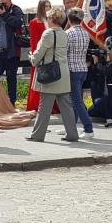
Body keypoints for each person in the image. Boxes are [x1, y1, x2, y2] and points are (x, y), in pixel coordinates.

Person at [26, 8, 79, 142]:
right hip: (63, 72)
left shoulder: (48, 33)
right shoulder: (64, 33)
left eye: (48, 18)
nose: (47, 20)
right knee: (66, 107)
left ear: (51, 19)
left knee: (44, 107)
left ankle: (37, 135)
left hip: (51, 74)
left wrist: (32, 58)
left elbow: (39, 53)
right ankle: (72, 134)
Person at [65, 7, 94, 138]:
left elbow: (65, 52)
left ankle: (88, 129)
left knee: (76, 101)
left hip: (72, 69)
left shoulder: (68, 33)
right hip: (83, 68)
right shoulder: (85, 33)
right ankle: (71, 127)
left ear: (69, 19)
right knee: (75, 99)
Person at [26, 0, 54, 112]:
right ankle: (36, 105)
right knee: (38, 81)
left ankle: (52, 106)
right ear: (41, 8)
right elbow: (33, 42)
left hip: (51, 56)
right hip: (39, 55)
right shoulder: (34, 22)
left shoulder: (52, 21)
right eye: (46, 6)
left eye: (49, 6)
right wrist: (35, 56)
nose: (48, 8)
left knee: (51, 81)